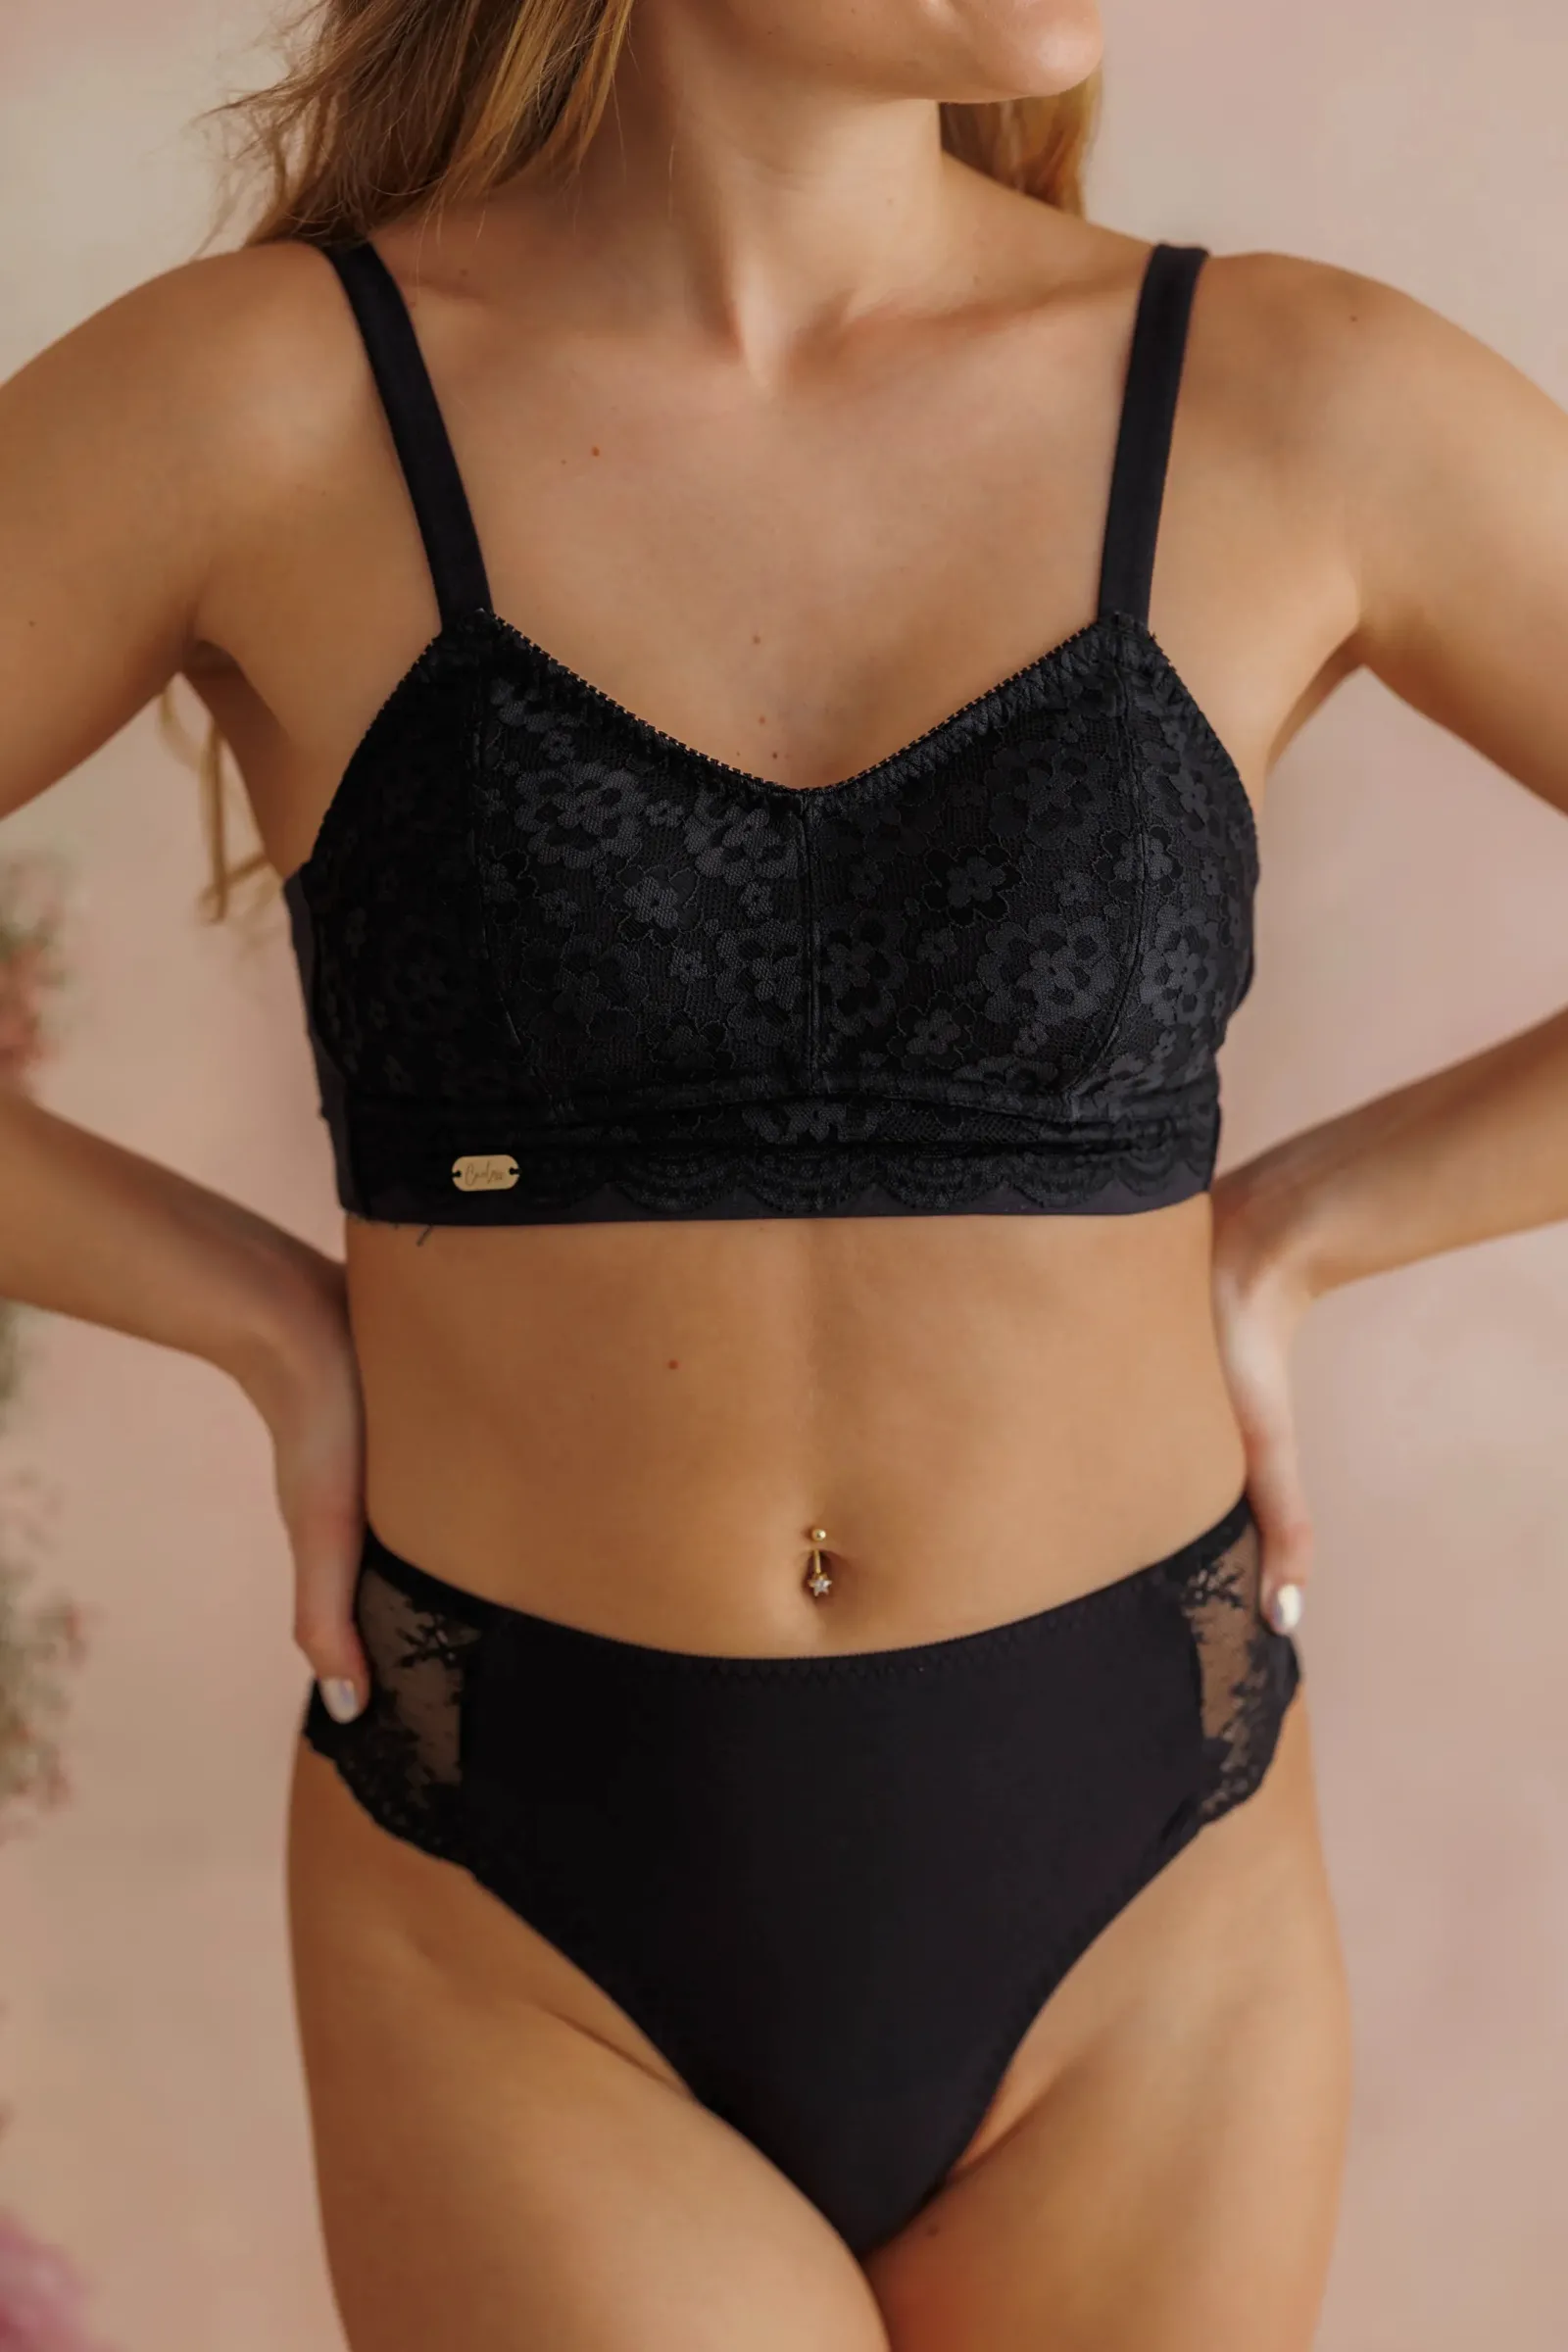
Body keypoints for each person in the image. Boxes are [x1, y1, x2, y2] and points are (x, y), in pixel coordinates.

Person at [3, 2, 1566, 2345]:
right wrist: (257, 1322)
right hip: (520, 1931)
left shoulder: (1293, 395)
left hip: (1149, 1911)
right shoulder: (257, 403)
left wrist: (1299, 1234)